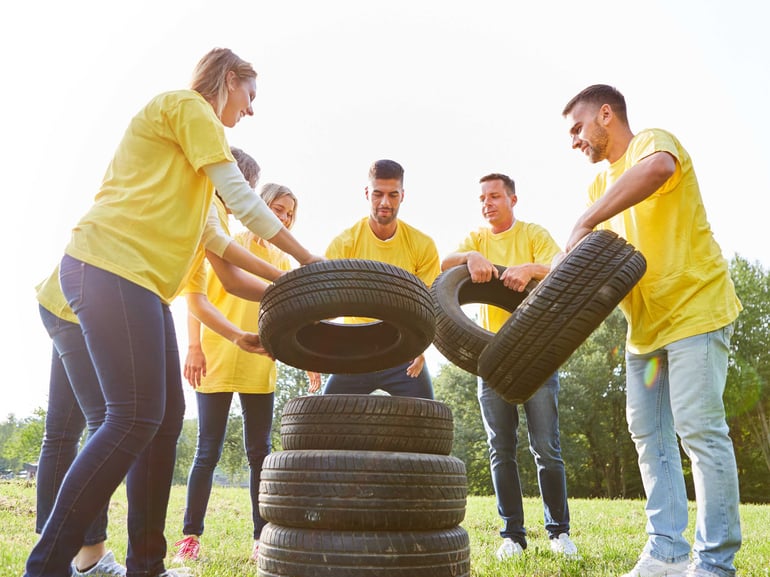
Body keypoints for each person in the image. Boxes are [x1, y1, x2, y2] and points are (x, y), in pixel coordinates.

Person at [24, 47, 322, 577]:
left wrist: (290, 283)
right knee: (130, 417)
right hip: (109, 267)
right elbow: (242, 199)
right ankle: (47, 567)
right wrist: (308, 261)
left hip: (139, 285)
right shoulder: (188, 107)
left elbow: (224, 252)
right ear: (228, 80)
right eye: (250, 94)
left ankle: (147, 566)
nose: (251, 109)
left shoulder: (193, 178)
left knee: (161, 423)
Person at [562, 84, 742, 577]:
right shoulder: (599, 189)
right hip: (644, 329)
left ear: (606, 114)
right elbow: (592, 262)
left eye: (577, 128)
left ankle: (715, 563)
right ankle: (667, 551)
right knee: (649, 435)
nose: (574, 140)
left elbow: (659, 169)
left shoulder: (652, 143)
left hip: (694, 309)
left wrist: (585, 219)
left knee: (699, 429)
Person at [173, 176, 321, 565]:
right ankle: (190, 537)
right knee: (207, 450)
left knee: (260, 452)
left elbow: (292, 317)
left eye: (289, 215)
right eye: (277, 210)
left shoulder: (283, 262)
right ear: (259, 206)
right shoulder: (228, 242)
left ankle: (260, 537)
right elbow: (197, 297)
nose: (283, 219)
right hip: (216, 356)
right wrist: (193, 347)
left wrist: (309, 359)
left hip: (259, 360)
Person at [441, 173, 578, 561]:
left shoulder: (533, 233)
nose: (487, 203)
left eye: (495, 196)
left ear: (512, 200)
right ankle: (512, 536)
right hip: (492, 359)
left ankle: (558, 532)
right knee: (500, 448)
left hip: (536, 354)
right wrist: (470, 257)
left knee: (546, 447)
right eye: (482, 198)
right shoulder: (477, 239)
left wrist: (530, 269)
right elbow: (444, 264)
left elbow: (564, 265)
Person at [322, 159, 440, 398]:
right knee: (324, 413)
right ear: (367, 193)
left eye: (393, 195)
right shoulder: (344, 244)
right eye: (378, 194)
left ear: (402, 196)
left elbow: (429, 306)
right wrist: (311, 353)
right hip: (354, 351)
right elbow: (323, 304)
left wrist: (421, 347)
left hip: (402, 350)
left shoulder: (422, 245)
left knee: (427, 416)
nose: (385, 202)